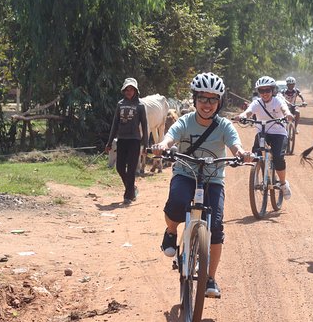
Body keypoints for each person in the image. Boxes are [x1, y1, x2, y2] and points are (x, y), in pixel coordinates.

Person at [153, 72, 252, 299]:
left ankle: (210, 278)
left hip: (213, 179)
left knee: (215, 227)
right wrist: (163, 145)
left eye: (213, 99)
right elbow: (171, 136)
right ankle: (170, 231)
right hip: (185, 173)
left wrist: (241, 153)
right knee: (177, 204)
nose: (207, 104)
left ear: (220, 102)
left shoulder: (224, 125)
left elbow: (235, 144)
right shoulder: (185, 121)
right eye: (203, 99)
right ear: (195, 99)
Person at [238, 75, 294, 199]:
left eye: (267, 90)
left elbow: (285, 109)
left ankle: (283, 184)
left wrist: (288, 114)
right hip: (263, 133)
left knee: (279, 158)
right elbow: (248, 111)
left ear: (272, 90)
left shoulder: (278, 100)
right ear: (258, 92)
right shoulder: (257, 103)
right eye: (261, 91)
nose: (265, 93)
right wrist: (241, 116)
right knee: (255, 155)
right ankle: (262, 172)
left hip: (279, 133)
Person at [106, 77, 148, 205]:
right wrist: (109, 143)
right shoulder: (120, 104)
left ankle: (128, 195)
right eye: (127, 89)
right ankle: (132, 189)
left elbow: (145, 126)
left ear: (136, 91)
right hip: (122, 139)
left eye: (132, 89)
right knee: (119, 167)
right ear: (124, 90)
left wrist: (145, 144)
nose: (129, 91)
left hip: (134, 140)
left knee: (131, 169)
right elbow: (115, 124)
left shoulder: (140, 106)